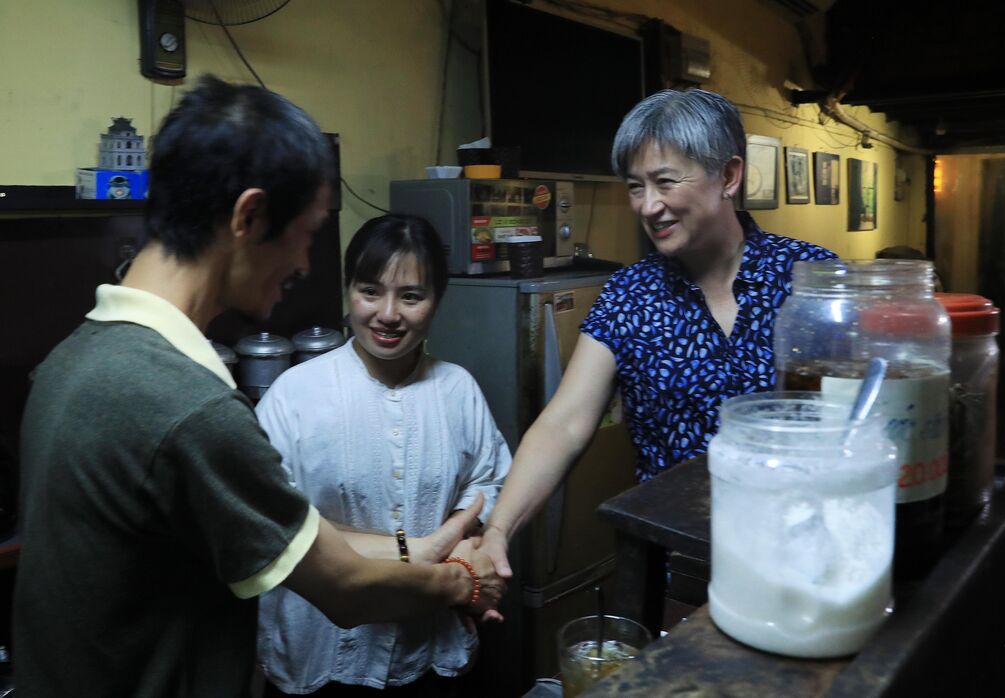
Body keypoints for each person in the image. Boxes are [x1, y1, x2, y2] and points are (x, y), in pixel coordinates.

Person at [13, 75, 497, 697]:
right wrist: (465, 581)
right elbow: (345, 590)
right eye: (306, 233)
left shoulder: (70, 360)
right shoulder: (190, 408)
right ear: (250, 216)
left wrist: (430, 545)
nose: (303, 264)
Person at [476, 88, 838, 581]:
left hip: (804, 560)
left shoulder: (812, 278)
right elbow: (563, 423)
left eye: (665, 182)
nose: (648, 206)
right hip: (678, 571)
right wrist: (498, 529)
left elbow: (858, 417)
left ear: (728, 176)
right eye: (635, 186)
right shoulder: (629, 295)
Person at [255, 214, 511, 696]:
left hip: (431, 648)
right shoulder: (295, 395)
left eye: (411, 296)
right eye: (370, 291)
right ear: (348, 290)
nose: (388, 314)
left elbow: (488, 480)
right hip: (319, 655)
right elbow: (270, 523)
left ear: (437, 300)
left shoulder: (457, 389)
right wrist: (422, 549)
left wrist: (464, 535)